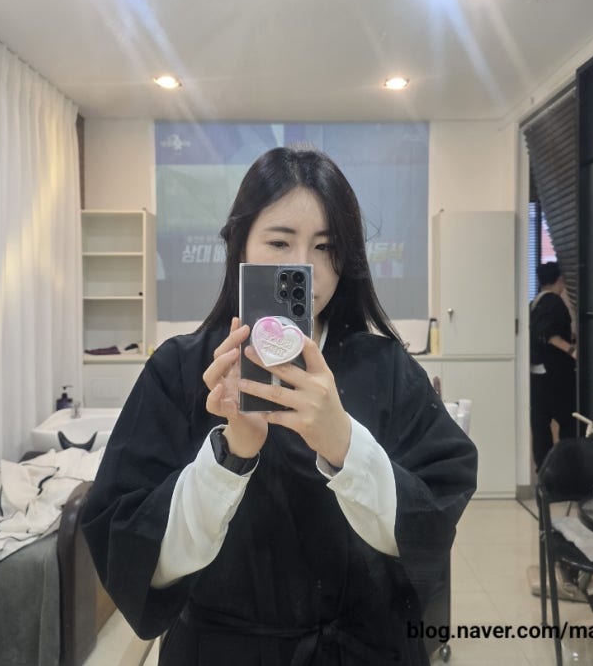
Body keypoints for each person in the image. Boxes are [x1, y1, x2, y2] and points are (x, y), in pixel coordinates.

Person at [81, 146, 478, 666]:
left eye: (326, 246)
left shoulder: (386, 367)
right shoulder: (180, 370)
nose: (303, 266)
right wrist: (230, 455)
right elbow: (132, 552)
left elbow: (431, 522)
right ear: (240, 246)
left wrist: (343, 444)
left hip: (365, 649)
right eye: (279, 241)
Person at [529, 261, 578, 472]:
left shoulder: (534, 303)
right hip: (555, 372)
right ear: (559, 280)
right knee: (569, 419)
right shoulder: (554, 303)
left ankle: (544, 467)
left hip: (537, 371)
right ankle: (566, 466)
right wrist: (572, 350)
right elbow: (549, 334)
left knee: (540, 422)